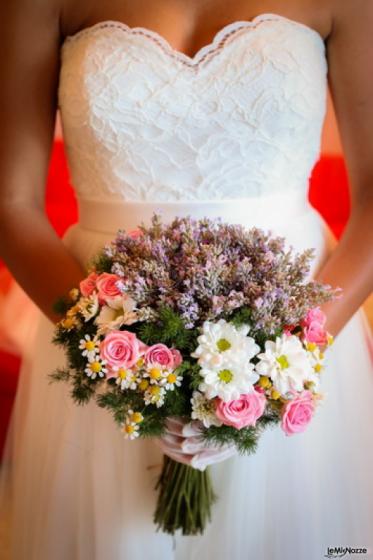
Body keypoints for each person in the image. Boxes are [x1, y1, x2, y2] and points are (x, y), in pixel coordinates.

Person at [0, 1, 373, 558]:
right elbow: (12, 202)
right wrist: (111, 350)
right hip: (98, 324)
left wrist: (284, 364)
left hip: (293, 327)